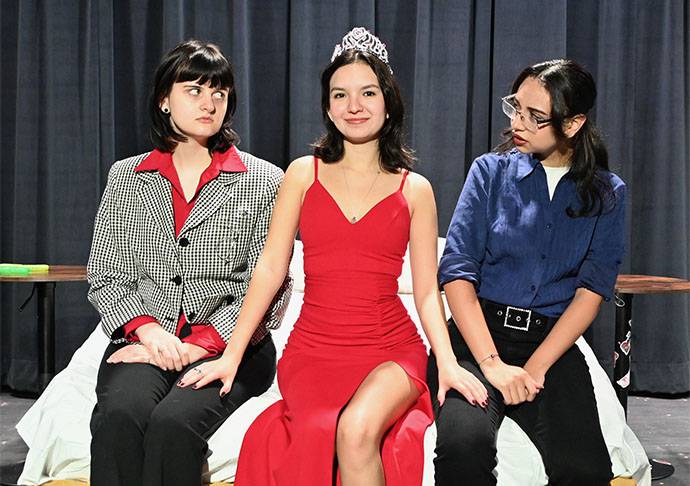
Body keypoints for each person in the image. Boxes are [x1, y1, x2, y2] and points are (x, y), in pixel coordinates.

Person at [178, 27, 487, 486]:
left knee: (357, 429)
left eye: (367, 92)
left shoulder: (415, 189)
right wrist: (232, 355)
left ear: (388, 101)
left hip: (391, 350)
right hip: (313, 353)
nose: (354, 106)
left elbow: (426, 292)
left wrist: (445, 362)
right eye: (340, 95)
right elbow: (269, 270)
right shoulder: (302, 175)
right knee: (320, 426)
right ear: (327, 106)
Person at [87, 39, 290, 486]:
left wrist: (204, 344)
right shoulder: (126, 177)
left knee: (173, 425)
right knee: (120, 416)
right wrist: (147, 331)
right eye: (194, 90)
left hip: (232, 347)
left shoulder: (264, 181)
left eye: (219, 93)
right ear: (164, 99)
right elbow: (106, 275)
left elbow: (271, 286)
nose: (209, 103)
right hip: (147, 339)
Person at [428, 59, 626, 485]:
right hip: (478, 336)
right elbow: (457, 272)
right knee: (464, 448)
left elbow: (591, 292)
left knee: (585, 468)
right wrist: (492, 364)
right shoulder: (490, 173)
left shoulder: (607, 193)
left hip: (551, 345)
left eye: (535, 117)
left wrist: (535, 369)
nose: (519, 122)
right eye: (515, 108)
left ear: (573, 124)